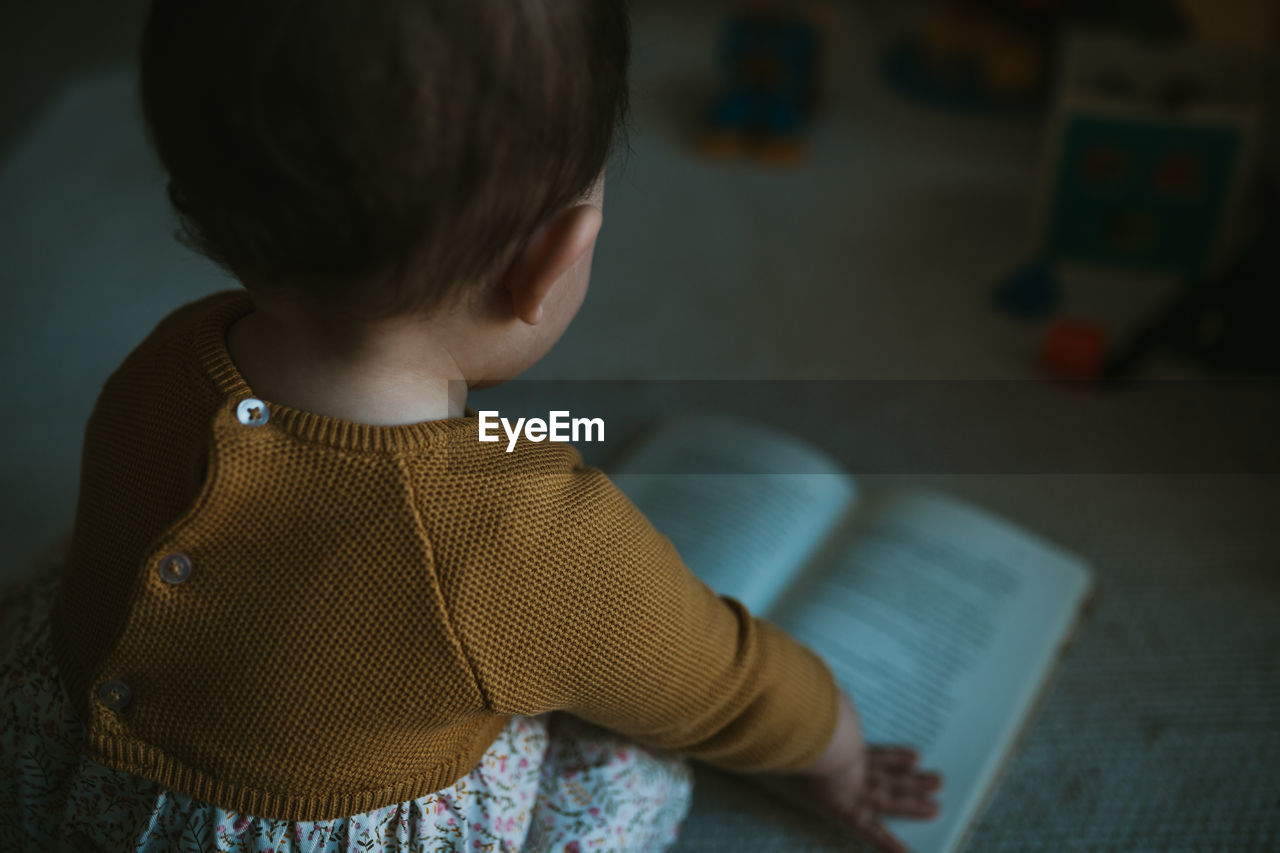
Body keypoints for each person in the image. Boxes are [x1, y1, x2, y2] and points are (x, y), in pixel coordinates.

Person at [0, 1, 943, 850]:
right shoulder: (516, 531)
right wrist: (836, 750)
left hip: (84, 771)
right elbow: (716, 679)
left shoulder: (170, 355)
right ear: (547, 264)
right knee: (627, 767)